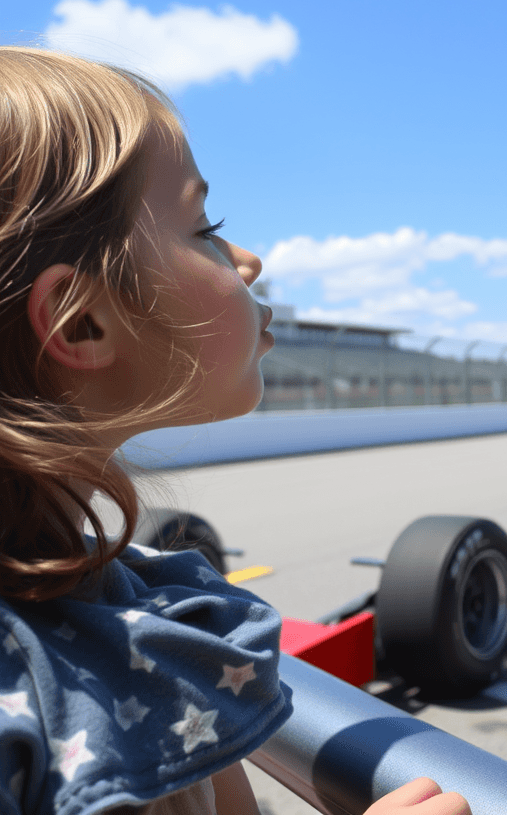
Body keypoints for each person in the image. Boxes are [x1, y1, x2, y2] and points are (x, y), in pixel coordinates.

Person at [0, 48, 469, 815]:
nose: (248, 261)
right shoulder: (34, 705)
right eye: (205, 227)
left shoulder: (106, 603)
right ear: (81, 321)